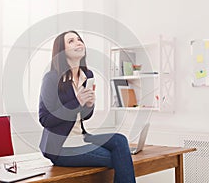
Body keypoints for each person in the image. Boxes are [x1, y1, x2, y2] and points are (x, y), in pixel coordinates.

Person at [38, 30, 136, 183]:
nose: (78, 42)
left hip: (80, 138)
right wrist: (77, 101)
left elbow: (84, 116)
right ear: (61, 51)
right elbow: (45, 119)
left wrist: (89, 105)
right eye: (71, 41)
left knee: (119, 140)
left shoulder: (87, 75)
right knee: (120, 157)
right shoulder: (51, 78)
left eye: (79, 39)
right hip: (60, 148)